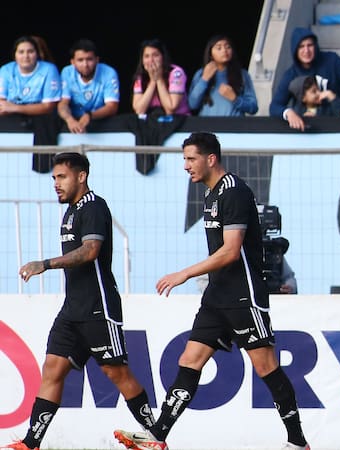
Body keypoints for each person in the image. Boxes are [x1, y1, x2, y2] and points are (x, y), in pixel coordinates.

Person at [113, 132, 309, 450]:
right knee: (190, 359)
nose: (186, 166)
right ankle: (158, 436)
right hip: (217, 296)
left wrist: (184, 274)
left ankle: (297, 441)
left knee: (265, 366)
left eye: (191, 159)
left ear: (211, 158)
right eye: (184, 159)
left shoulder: (234, 192)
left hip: (244, 296)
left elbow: (231, 251)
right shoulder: (211, 194)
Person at [3, 153, 155, 450]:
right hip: (72, 309)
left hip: (98, 307)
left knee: (116, 373)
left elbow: (90, 251)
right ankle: (31, 443)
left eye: (62, 177)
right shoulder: (71, 211)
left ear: (81, 176)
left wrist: (45, 264)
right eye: (54, 178)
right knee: (52, 368)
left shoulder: (94, 206)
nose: (56, 184)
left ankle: (155, 435)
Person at [269, 27, 340, 131]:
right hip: (310, 130)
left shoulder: (332, 60)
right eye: (301, 47)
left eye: (310, 45)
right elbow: (275, 106)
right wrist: (288, 113)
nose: (306, 51)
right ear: (295, 50)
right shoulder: (291, 74)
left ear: (315, 46)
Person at [58, 39, 120, 134]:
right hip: (74, 119)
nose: (85, 65)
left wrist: (89, 116)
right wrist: (70, 120)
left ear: (97, 60)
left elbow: (112, 107)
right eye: (80, 60)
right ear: (72, 62)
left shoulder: (109, 73)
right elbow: (63, 104)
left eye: (89, 59)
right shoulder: (67, 72)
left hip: (100, 119)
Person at [188, 34, 258, 117]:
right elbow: (192, 105)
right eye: (219, 48)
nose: (224, 50)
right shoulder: (200, 74)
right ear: (210, 54)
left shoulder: (242, 74)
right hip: (208, 123)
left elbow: (253, 107)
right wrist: (204, 79)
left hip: (234, 124)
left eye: (228, 47)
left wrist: (235, 99)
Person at [0, 36, 61, 117]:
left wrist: (15, 107)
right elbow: (1, 102)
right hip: (10, 117)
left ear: (37, 54)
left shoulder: (49, 69)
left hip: (41, 118)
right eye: (21, 52)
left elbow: (48, 106)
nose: (26, 56)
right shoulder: (6, 69)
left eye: (30, 51)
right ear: (15, 55)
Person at [132, 38, 191, 117]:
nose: (151, 60)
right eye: (146, 56)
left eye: (155, 55)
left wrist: (159, 79)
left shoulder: (176, 73)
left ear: (163, 57)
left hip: (178, 120)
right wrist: (153, 81)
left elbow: (170, 108)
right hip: (152, 121)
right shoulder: (140, 77)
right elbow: (139, 110)